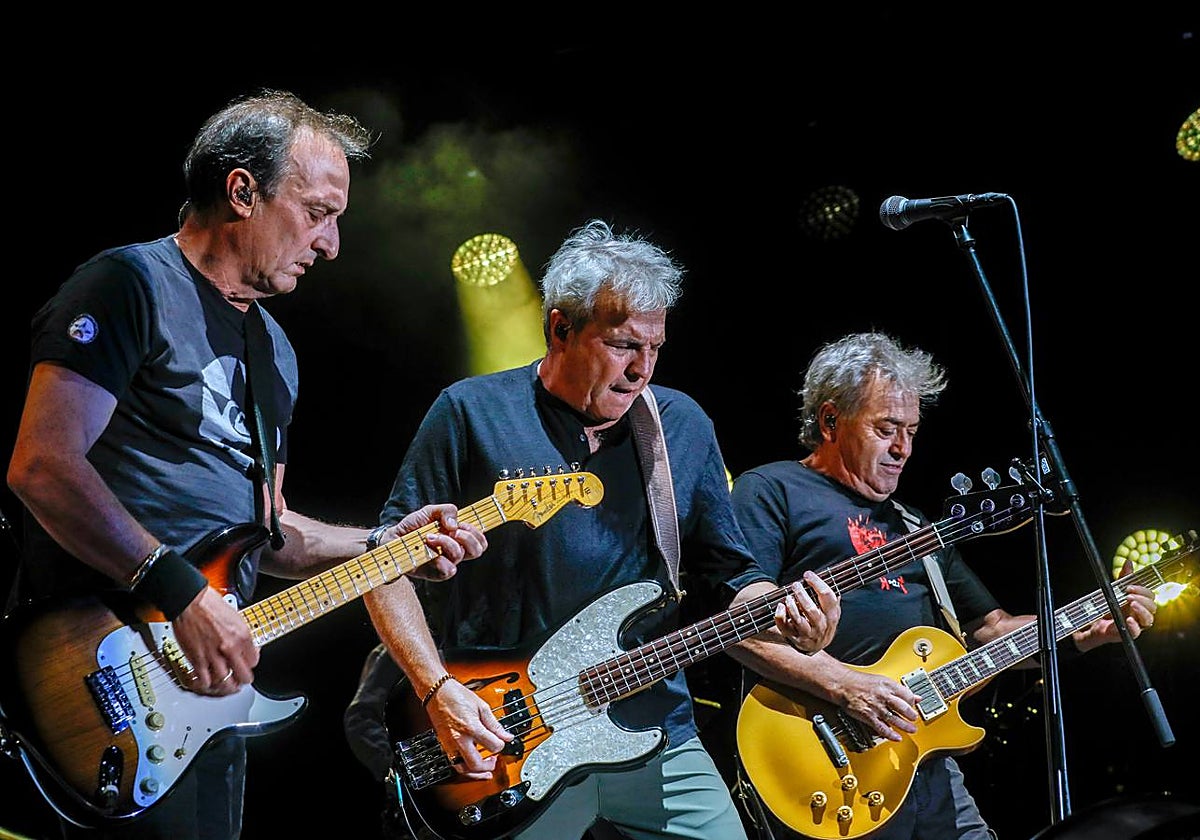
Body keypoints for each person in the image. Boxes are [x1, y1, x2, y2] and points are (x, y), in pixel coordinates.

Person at [4, 89, 487, 840]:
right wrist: (183, 595)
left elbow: (269, 530)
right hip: (98, 670)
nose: (330, 244)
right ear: (241, 190)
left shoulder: (275, 352)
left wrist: (382, 547)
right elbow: (42, 465)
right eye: (319, 212)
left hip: (205, 696)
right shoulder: (129, 285)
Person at [360, 218, 842, 840]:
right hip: (503, 739)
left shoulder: (679, 424)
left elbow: (727, 575)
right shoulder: (469, 411)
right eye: (622, 345)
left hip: (655, 727)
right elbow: (383, 565)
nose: (642, 368)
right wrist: (435, 692)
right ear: (560, 327)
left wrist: (784, 613)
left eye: (656, 348)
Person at [725, 331, 1159, 840]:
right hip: (821, 751)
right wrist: (847, 687)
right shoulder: (772, 490)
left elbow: (991, 629)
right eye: (886, 428)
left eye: (911, 430)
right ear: (830, 421)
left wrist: (1084, 630)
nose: (903, 448)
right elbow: (738, 622)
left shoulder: (915, 526)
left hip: (923, 761)